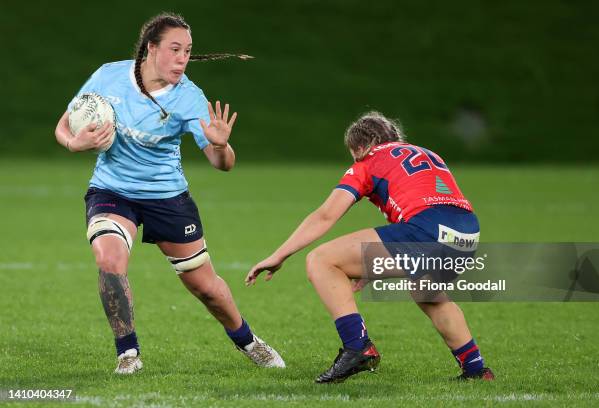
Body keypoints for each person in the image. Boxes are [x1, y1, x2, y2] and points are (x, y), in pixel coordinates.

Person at [54, 12, 284, 374]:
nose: (183, 59)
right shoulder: (108, 75)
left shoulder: (189, 98)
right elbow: (65, 124)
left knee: (205, 287)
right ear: (151, 48)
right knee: (109, 260)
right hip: (112, 190)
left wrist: (221, 145)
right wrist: (74, 143)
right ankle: (127, 353)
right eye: (175, 49)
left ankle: (248, 340)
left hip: (167, 198)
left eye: (188, 51)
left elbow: (221, 163)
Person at [246, 111, 494, 383]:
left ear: (361, 147)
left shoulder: (369, 160)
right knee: (428, 294)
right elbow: (416, 202)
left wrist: (279, 255)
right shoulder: (426, 153)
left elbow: (325, 215)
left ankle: (357, 346)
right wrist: (372, 263)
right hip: (466, 235)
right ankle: (475, 370)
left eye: (353, 156)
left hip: (427, 230)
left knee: (322, 260)